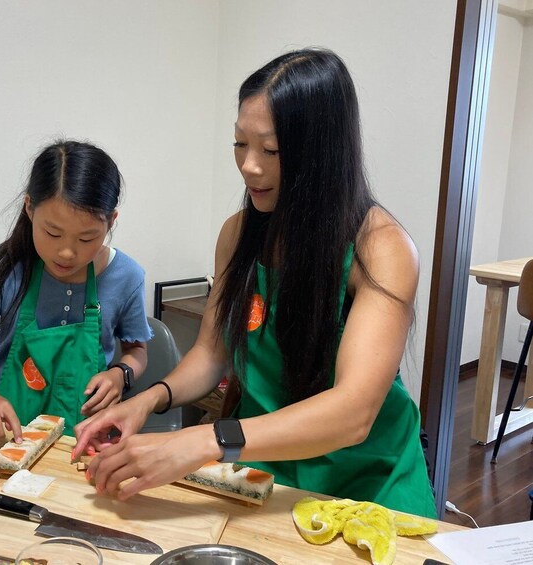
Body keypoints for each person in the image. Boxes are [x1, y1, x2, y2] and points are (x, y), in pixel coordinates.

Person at [73, 49, 438, 518]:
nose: (248, 166)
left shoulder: (381, 248)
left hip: (368, 484)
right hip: (269, 471)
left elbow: (353, 413)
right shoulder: (238, 233)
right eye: (240, 144)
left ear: (322, 154)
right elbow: (210, 354)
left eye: (270, 149)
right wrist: (146, 402)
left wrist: (204, 440)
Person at [0, 140, 152, 441]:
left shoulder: (126, 276)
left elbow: (137, 352)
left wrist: (120, 375)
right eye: (52, 233)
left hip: (88, 438)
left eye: (86, 239)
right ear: (29, 207)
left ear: (111, 222)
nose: (67, 253)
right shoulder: (7, 264)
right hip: (11, 435)